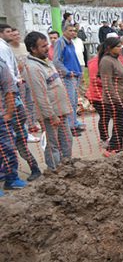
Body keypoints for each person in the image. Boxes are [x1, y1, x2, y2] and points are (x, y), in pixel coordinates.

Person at [23, 31, 73, 171]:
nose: (47, 48)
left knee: (67, 141)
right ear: (33, 49)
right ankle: (55, 173)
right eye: (43, 46)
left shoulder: (46, 61)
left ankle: (66, 168)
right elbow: (40, 96)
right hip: (51, 115)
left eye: (47, 45)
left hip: (60, 112)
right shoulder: (33, 68)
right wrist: (51, 116)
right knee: (53, 146)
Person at [0, 25, 41, 181]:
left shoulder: (3, 50)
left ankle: (33, 169)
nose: (12, 34)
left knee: (17, 141)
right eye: (8, 32)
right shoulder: (5, 47)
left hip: (12, 105)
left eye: (12, 31)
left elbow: (10, 77)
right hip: (11, 102)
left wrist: (9, 112)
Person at [98, 37, 123, 155]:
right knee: (122, 124)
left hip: (122, 98)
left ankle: (117, 147)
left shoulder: (116, 59)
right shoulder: (106, 61)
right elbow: (107, 83)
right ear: (109, 48)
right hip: (114, 100)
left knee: (122, 124)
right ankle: (112, 147)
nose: (120, 48)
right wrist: (116, 100)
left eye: (120, 46)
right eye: (117, 46)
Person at [0, 57, 27, 196]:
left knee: (8, 148)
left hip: (1, 116)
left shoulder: (1, 65)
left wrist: (8, 114)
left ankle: (11, 179)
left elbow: (9, 91)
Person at [52, 23, 86, 136]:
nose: (73, 33)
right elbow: (56, 61)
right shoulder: (60, 42)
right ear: (64, 31)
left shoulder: (71, 43)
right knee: (69, 102)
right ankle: (69, 128)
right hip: (67, 77)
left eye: (74, 31)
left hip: (75, 75)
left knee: (75, 101)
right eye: (70, 30)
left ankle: (74, 123)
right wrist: (66, 72)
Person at [86, 54, 111, 147]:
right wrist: (111, 81)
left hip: (104, 95)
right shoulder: (95, 62)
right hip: (97, 95)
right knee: (105, 116)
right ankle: (104, 139)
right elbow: (95, 79)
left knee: (106, 116)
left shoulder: (107, 60)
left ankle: (105, 138)